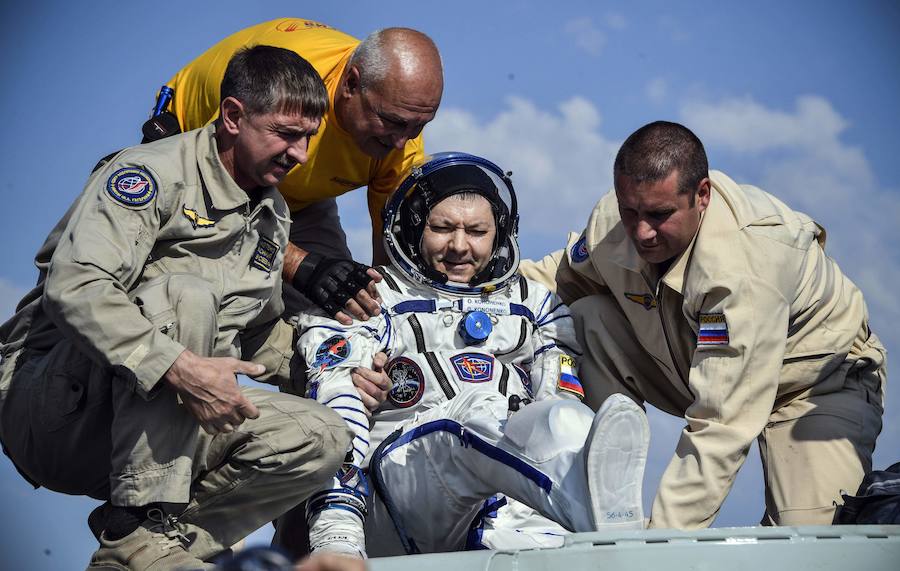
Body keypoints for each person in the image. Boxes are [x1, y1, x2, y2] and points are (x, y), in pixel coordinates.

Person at [0, 46, 353, 570]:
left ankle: (147, 548)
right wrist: (181, 369)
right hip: (54, 409)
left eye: (308, 137)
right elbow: (76, 285)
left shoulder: (272, 215)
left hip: (157, 433)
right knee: (186, 293)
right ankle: (138, 522)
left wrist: (341, 363)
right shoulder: (150, 175)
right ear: (233, 117)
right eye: (285, 133)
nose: (299, 154)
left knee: (321, 436)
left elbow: (259, 336)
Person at [519, 121, 886, 529]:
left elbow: (720, 425)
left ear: (702, 196)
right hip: (695, 365)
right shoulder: (616, 219)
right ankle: (601, 505)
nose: (642, 232)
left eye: (660, 215)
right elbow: (555, 279)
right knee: (587, 316)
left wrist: (657, 551)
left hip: (813, 384)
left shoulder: (745, 268)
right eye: (631, 212)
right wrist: (474, 291)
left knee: (808, 544)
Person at [294, 152, 650, 557]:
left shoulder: (536, 308)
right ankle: (599, 526)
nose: (460, 246)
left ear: (499, 233)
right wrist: (337, 532)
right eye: (442, 228)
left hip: (505, 500)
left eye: (477, 231)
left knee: (565, 417)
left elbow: (555, 404)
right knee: (475, 412)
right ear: (413, 228)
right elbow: (335, 405)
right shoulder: (371, 299)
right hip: (396, 503)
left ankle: (596, 531)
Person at [153, 17, 444, 324]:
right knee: (193, 302)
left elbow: (388, 265)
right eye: (393, 121)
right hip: (210, 172)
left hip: (300, 196)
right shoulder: (287, 90)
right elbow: (223, 201)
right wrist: (299, 264)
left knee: (347, 311)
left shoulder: (401, 136)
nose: (401, 141)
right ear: (351, 84)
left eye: (419, 125)